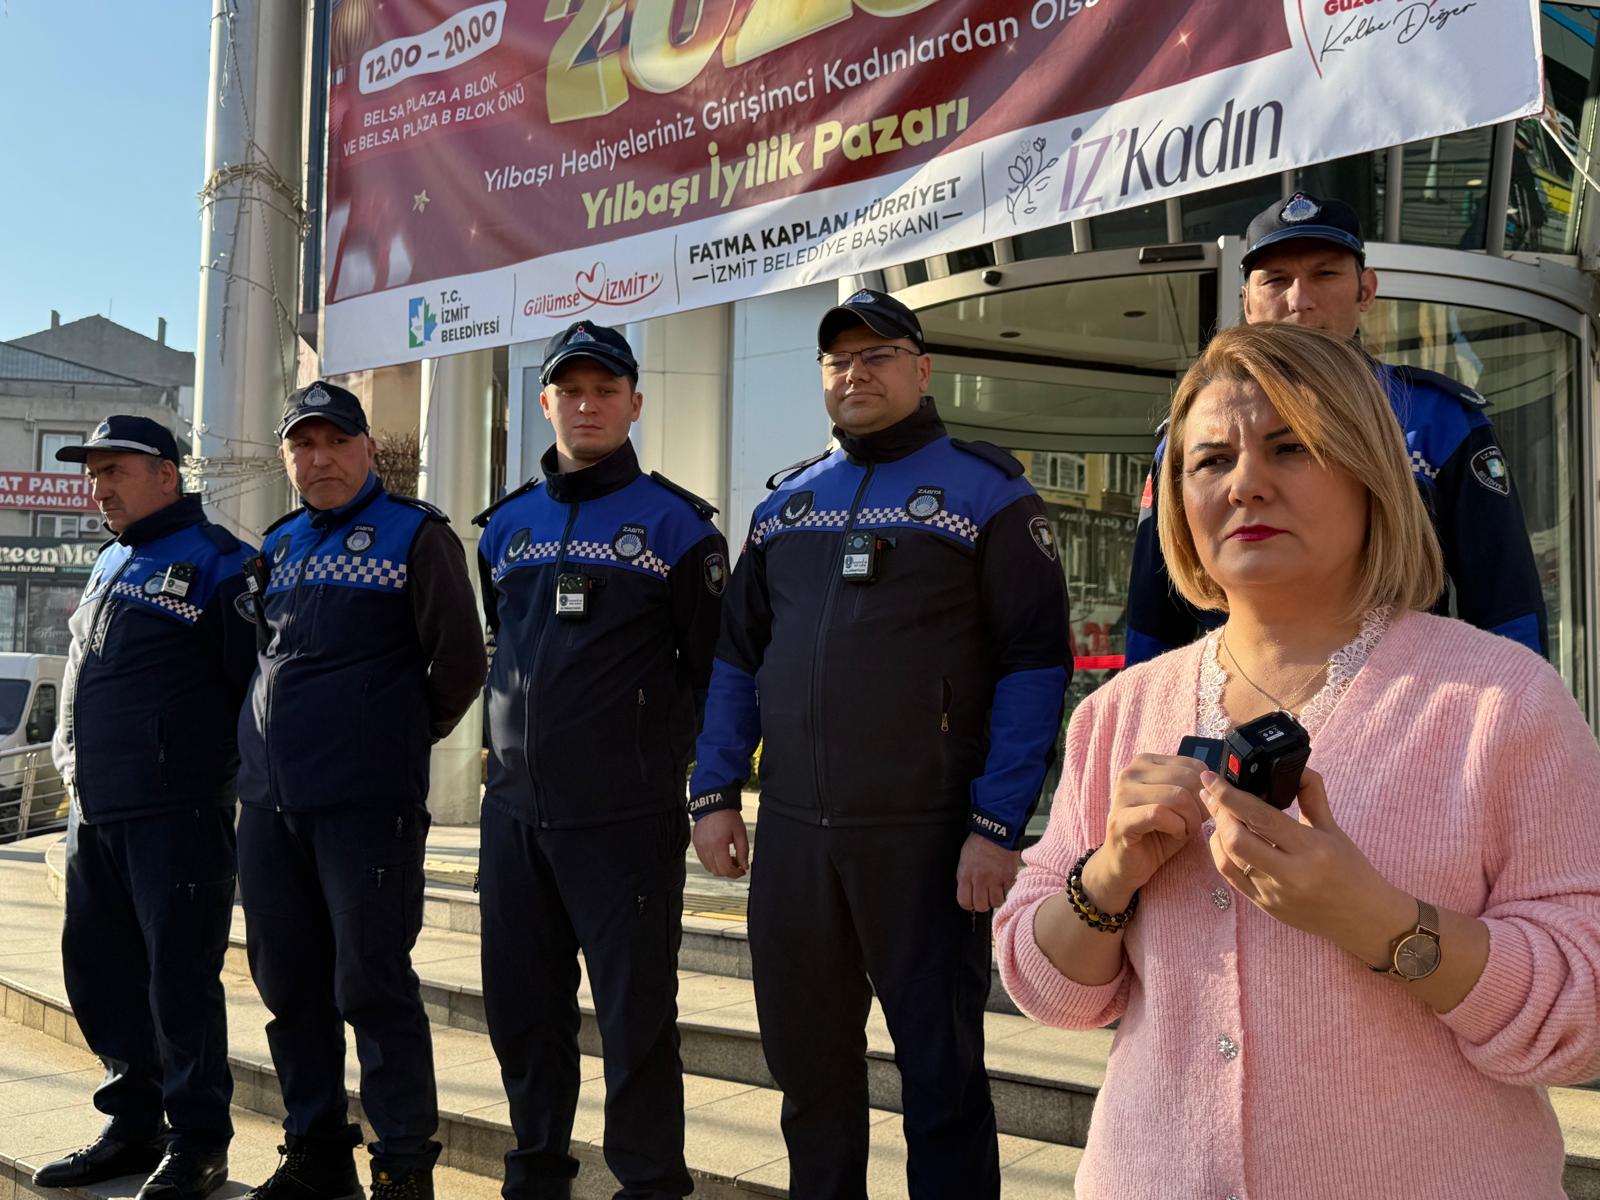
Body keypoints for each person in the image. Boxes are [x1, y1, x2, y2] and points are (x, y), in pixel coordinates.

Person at [995, 322, 1600, 1199]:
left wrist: (1385, 924)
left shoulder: (1502, 702)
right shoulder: (1122, 712)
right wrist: (1110, 876)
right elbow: (1050, 990)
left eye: (1291, 446)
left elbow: (1581, 1008)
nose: (1244, 483)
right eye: (1208, 462)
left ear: (1368, 471)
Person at [689, 289, 1072, 1199]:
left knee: (941, 1078)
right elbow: (737, 660)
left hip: (927, 836)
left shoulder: (991, 491)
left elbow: (1033, 666)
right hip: (794, 837)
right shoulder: (786, 504)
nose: (856, 374)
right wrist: (711, 792)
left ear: (923, 369)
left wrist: (999, 823)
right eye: (839, 361)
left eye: (878, 356)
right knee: (807, 1071)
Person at [473, 321, 726, 1200]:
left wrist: (689, 783)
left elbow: (714, 673)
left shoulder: (680, 529)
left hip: (624, 821)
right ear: (545, 402)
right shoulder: (503, 528)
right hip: (512, 819)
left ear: (634, 405)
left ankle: (651, 1183)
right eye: (571, 391)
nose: (587, 404)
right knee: (524, 1012)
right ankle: (536, 1172)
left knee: (636, 1020)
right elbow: (500, 650)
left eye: (605, 390)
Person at [235, 382, 487, 1200]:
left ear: (366, 450)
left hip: (365, 809)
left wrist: (387, 742)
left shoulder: (417, 536)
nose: (320, 459)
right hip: (270, 809)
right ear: (287, 459)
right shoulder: (276, 544)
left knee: (371, 985)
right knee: (289, 987)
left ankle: (404, 1165)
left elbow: (459, 665)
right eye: (303, 446)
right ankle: (317, 1151)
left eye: (334, 442)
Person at [1124, 191, 1547, 665]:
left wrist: (1517, 716)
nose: (1300, 301)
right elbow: (1153, 614)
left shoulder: (1438, 418)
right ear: (1246, 301)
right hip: (1232, 705)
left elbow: (1506, 602)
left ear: (1366, 290)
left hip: (1403, 704)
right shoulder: (1193, 430)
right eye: (1276, 280)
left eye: (1324, 274)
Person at [34, 416, 256, 1200]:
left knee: (178, 982)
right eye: (93, 474)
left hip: (179, 814)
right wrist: (70, 764)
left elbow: (252, 697)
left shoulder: (223, 564)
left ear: (167, 474)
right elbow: (80, 671)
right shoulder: (109, 561)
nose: (99, 488)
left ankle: (198, 1141)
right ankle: (132, 1125)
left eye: (115, 471)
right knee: (100, 973)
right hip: (96, 810)